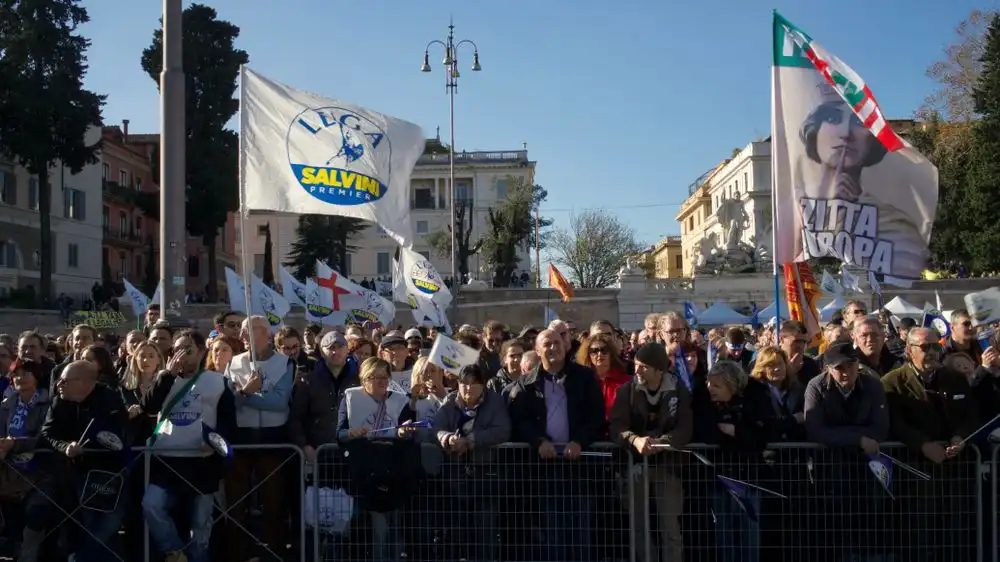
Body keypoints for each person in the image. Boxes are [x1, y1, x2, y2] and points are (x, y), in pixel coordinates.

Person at [141, 330, 236, 562]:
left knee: (201, 522)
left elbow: (228, 422)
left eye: (188, 350)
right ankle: (174, 551)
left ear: (202, 351)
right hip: (167, 459)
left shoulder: (218, 382)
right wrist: (167, 375)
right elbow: (149, 407)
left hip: (202, 461)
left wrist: (214, 442)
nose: (181, 356)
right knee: (151, 505)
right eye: (177, 350)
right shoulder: (163, 379)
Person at [609, 342, 692, 562]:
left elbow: (685, 427)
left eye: (643, 366)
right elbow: (617, 426)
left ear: (659, 370)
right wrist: (635, 440)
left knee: (670, 527)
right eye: (636, 365)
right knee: (638, 525)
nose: (637, 371)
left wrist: (663, 442)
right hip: (635, 465)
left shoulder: (677, 390)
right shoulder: (627, 391)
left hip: (668, 466)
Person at [41, 360, 128, 562]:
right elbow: (47, 433)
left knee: (110, 523)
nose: (58, 385)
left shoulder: (110, 399)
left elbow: (120, 434)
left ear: (82, 382)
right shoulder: (59, 400)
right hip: (79, 471)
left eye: (64, 381)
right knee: (88, 522)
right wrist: (65, 447)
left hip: (112, 470)